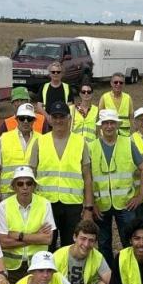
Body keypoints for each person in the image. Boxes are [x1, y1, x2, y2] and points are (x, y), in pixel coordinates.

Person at [29, 101, 94, 250]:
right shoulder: (39, 141)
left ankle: (66, 274)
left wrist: (88, 208)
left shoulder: (80, 142)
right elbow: (31, 174)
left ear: (69, 118)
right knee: (46, 246)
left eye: (62, 116)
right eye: (55, 117)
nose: (58, 120)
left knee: (70, 247)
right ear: (50, 118)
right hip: (46, 204)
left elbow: (87, 176)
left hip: (72, 204)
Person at [89, 109, 143, 267]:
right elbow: (86, 177)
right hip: (101, 205)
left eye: (112, 123)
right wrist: (91, 203)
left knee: (128, 241)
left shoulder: (128, 143)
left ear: (117, 125)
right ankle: (109, 276)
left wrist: (140, 195)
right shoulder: (91, 147)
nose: (109, 126)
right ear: (100, 126)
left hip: (125, 204)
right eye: (105, 123)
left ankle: (131, 272)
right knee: (103, 243)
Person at [0, 166, 56, 284]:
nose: (25, 187)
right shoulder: (3, 206)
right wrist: (36, 237)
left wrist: (19, 236)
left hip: (38, 265)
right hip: (11, 268)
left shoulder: (45, 204)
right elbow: (2, 243)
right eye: (20, 184)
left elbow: (48, 239)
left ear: (34, 186)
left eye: (29, 183)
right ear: (14, 187)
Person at [0, 103, 41, 203]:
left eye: (29, 118)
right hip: (8, 192)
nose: (26, 121)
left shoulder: (41, 139)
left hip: (33, 192)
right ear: (16, 119)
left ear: (34, 120)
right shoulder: (4, 138)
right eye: (22, 118)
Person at [98, 73, 134, 137]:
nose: (118, 84)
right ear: (111, 83)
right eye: (115, 82)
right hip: (109, 134)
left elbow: (131, 117)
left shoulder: (128, 98)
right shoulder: (104, 97)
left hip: (125, 135)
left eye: (121, 83)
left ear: (124, 84)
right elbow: (100, 117)